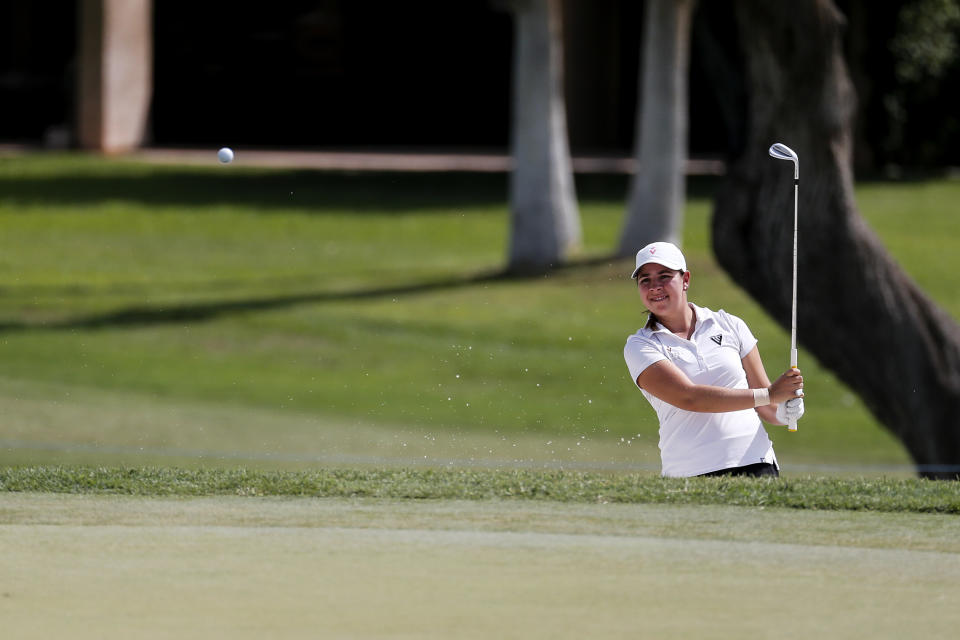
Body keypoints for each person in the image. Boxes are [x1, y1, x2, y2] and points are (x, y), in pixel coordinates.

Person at [622, 242, 804, 478]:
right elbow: (689, 397)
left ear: (685, 279)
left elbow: (766, 406)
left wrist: (785, 409)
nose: (654, 286)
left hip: (756, 463)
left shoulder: (730, 324)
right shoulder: (641, 345)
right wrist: (771, 395)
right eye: (645, 280)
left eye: (664, 276)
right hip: (690, 472)